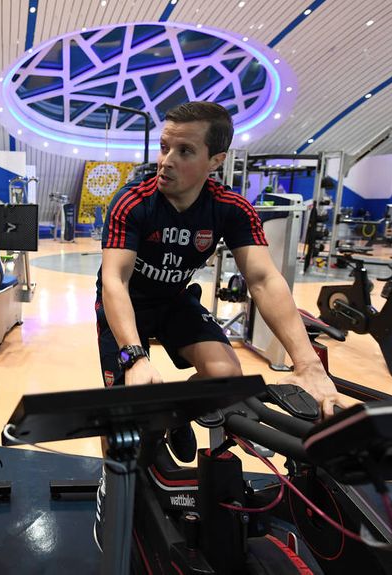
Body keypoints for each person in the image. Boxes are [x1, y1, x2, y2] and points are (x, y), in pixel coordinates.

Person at [93, 101, 339, 548]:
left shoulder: (230, 208)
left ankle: (175, 418)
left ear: (216, 160)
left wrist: (308, 365)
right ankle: (113, 491)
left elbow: (264, 280)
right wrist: (133, 355)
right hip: (126, 303)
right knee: (126, 411)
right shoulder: (133, 201)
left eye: (184, 151)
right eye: (165, 147)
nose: (166, 161)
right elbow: (114, 280)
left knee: (226, 376)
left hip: (173, 302)